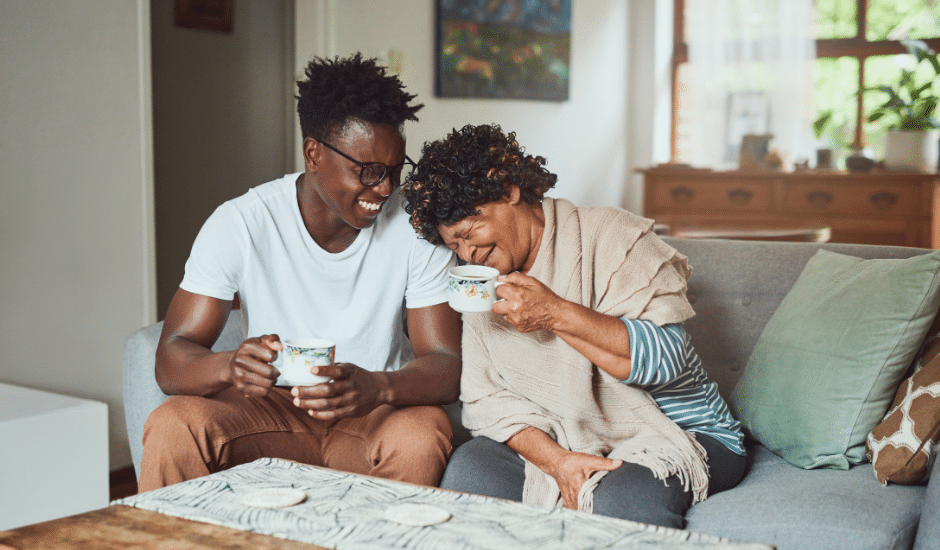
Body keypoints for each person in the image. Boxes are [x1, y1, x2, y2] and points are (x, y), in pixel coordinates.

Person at [138, 54, 462, 492]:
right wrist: (228, 365)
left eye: (394, 170)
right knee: (173, 423)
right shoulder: (242, 223)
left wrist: (379, 387)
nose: (385, 189)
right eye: (367, 171)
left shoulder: (415, 227)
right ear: (314, 154)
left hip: (372, 411)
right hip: (269, 411)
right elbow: (170, 360)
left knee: (423, 432)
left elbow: (446, 363)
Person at [402, 123, 745, 529]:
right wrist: (558, 461)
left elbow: (666, 361)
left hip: (677, 433)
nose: (468, 252)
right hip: (561, 436)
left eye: (470, 232)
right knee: (469, 475)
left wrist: (554, 313)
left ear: (509, 190)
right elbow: (483, 399)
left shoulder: (613, 236)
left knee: (618, 502)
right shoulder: (479, 280)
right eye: (454, 245)